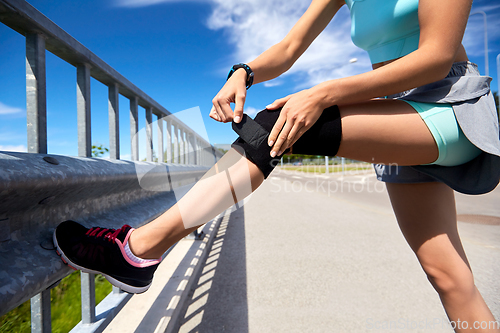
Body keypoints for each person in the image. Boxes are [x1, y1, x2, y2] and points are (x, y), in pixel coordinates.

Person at [54, 0, 500, 330]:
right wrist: (243, 72)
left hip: (446, 103)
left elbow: (435, 56)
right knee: (449, 276)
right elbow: (289, 48)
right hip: (391, 113)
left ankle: (139, 248)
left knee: (274, 127)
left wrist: (325, 93)